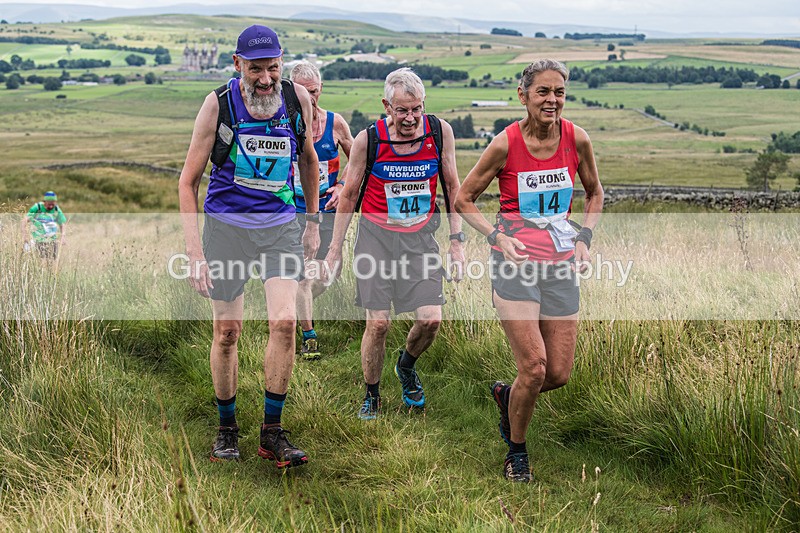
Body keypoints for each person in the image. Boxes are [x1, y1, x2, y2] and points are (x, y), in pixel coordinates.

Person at [178, 25, 321, 468]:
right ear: (238, 65)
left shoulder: (297, 98)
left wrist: (313, 222)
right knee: (228, 333)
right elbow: (187, 183)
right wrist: (196, 255)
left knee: (284, 322)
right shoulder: (218, 105)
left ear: (282, 63)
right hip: (227, 230)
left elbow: (309, 159)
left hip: (279, 228)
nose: (265, 78)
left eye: (273, 67)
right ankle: (226, 430)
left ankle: (272, 432)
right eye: (255, 69)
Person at [455, 59, 604, 482]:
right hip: (515, 264)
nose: (552, 100)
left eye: (558, 92)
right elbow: (464, 198)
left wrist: (584, 239)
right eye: (542, 91)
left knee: (557, 373)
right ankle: (516, 452)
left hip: (560, 265)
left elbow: (595, 193)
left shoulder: (577, 139)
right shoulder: (505, 144)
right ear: (523, 96)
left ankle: (507, 396)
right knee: (534, 366)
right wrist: (495, 237)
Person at [324, 67, 465, 420]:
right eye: (401, 110)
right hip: (376, 240)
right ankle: (372, 394)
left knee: (431, 320)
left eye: (416, 109)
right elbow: (350, 194)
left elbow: (452, 186)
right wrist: (334, 249)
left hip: (420, 240)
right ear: (386, 106)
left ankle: (406, 366)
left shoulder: (439, 132)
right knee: (379, 323)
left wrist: (457, 241)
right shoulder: (368, 140)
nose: (410, 118)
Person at [289, 61, 354, 360]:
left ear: (321, 89)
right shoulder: (284, 122)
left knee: (326, 274)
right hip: (293, 210)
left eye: (313, 91)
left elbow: (358, 160)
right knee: (303, 274)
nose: (309, 98)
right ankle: (308, 334)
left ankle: (292, 304)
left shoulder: (335, 123)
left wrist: (341, 185)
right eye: (302, 91)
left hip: (327, 209)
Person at [21, 191, 67, 261]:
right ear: (45, 201)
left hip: (52, 240)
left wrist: (63, 237)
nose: (51, 206)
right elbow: (24, 221)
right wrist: (25, 236)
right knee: (41, 261)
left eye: (53, 204)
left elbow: (62, 224)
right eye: (49, 204)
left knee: (52, 261)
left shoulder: (57, 209)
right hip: (38, 239)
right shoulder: (37, 207)